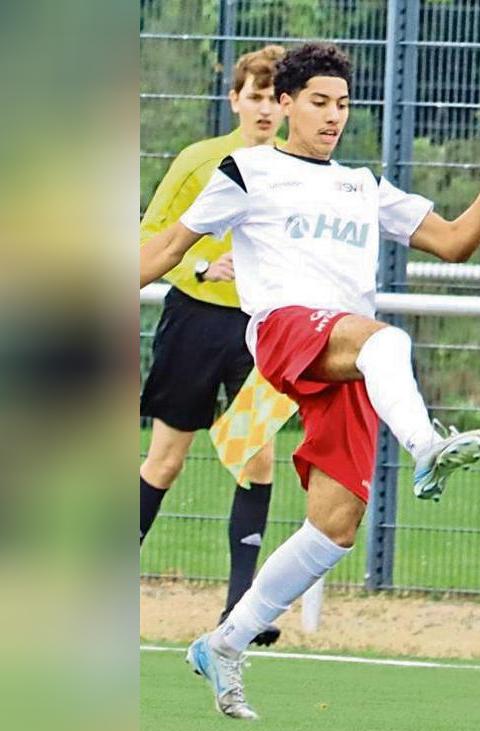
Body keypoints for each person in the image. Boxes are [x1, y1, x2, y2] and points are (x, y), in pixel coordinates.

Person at [139, 42, 480, 719]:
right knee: (390, 339)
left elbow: (455, 242)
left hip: (348, 354)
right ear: (286, 103)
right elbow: (169, 247)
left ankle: (225, 643)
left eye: (343, 105)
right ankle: (425, 447)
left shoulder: (363, 185)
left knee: (335, 525)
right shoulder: (247, 169)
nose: (333, 117)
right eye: (319, 102)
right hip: (285, 330)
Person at [139, 44, 287, 646]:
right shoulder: (201, 160)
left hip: (259, 330)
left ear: (288, 106)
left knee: (257, 458)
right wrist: (203, 268)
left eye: (274, 99)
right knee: (166, 459)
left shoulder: (296, 170)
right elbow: (151, 237)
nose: (263, 110)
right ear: (234, 100)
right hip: (195, 322)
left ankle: (241, 614)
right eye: (253, 97)